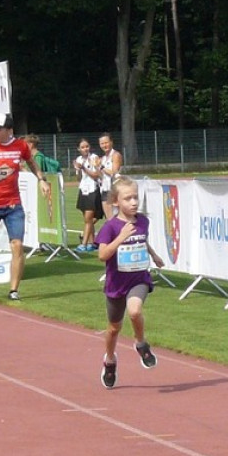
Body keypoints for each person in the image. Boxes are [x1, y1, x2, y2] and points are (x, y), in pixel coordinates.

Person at [0, 113, 51, 301]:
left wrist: (41, 180)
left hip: (13, 205)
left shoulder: (20, 146)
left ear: (9, 130)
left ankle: (14, 290)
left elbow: (32, 162)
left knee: (17, 245)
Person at [96, 176, 164, 389]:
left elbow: (142, 240)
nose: (134, 202)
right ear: (116, 202)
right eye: (128, 199)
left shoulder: (143, 221)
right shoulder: (111, 227)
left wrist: (153, 255)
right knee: (114, 328)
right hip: (116, 283)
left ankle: (141, 343)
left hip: (138, 278)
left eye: (135, 197)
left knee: (134, 311)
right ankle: (109, 359)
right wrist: (121, 237)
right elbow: (103, 255)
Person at [73, 139, 104, 252]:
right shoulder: (79, 159)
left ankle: (84, 244)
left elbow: (96, 175)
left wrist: (84, 168)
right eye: (82, 147)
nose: (85, 149)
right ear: (79, 149)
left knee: (88, 218)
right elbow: (79, 179)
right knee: (87, 219)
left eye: (87, 146)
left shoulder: (94, 158)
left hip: (93, 189)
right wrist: (77, 170)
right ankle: (93, 243)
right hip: (83, 189)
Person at [98, 132, 123, 218]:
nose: (104, 145)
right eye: (102, 143)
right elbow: (101, 176)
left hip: (113, 189)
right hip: (104, 189)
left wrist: (101, 167)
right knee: (109, 219)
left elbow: (114, 173)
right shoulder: (103, 158)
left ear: (111, 142)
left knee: (115, 217)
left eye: (106, 142)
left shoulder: (115, 155)